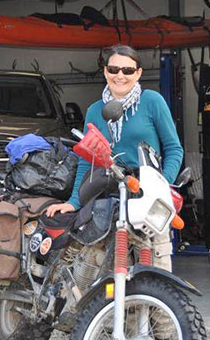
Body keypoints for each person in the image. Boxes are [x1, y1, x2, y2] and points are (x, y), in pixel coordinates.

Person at [46, 44, 183, 271]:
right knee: (103, 271)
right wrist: (74, 202)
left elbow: (174, 149)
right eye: (114, 69)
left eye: (128, 70)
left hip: (148, 194)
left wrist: (163, 188)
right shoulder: (95, 110)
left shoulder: (152, 102)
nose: (120, 75)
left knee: (157, 270)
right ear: (105, 71)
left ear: (138, 73)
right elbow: (86, 160)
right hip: (109, 194)